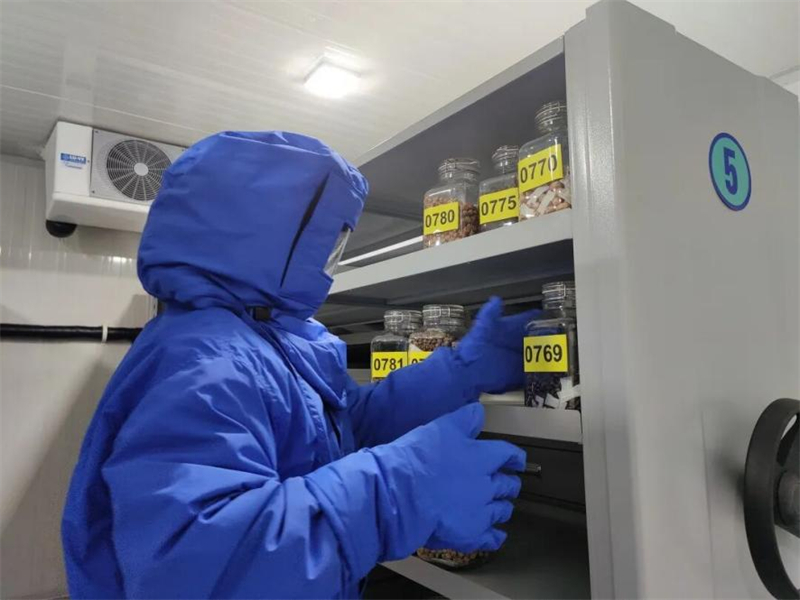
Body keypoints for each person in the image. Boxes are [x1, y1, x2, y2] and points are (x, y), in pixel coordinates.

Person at [62, 131, 537, 599]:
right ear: (266, 234)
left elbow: (345, 425)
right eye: (325, 239)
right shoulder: (202, 361)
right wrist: (394, 496)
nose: (331, 259)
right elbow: (195, 566)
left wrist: (458, 370)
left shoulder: (268, 339)